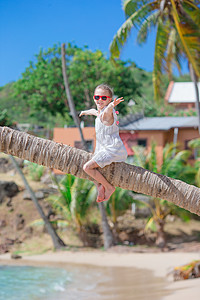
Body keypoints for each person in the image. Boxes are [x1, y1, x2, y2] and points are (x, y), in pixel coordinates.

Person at [79, 84, 128, 202]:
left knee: (87, 167)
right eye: (97, 97)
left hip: (112, 150)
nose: (99, 100)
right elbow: (94, 111)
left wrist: (112, 105)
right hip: (102, 148)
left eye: (103, 98)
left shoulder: (107, 113)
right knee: (92, 172)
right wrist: (84, 112)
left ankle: (109, 187)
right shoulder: (99, 113)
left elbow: (108, 110)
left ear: (109, 99)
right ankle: (99, 186)